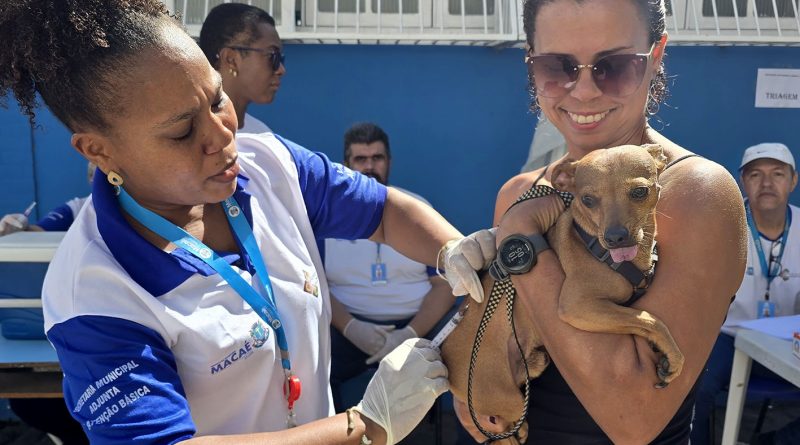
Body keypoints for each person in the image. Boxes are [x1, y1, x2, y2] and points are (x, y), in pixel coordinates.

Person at [0, 2, 496, 444]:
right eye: (181, 131)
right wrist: (365, 425)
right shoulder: (94, 293)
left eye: (217, 100)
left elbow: (385, 212)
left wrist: (452, 251)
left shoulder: (268, 164)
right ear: (97, 149)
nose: (222, 135)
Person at [451, 0, 748, 443]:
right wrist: (468, 393)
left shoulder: (695, 191)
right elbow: (501, 334)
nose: (585, 91)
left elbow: (634, 418)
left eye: (615, 66)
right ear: (531, 66)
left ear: (656, 56)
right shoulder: (518, 192)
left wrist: (520, 241)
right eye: (557, 66)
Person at [325, 122, 456, 411]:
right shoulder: (325, 217)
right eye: (361, 159)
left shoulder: (416, 209)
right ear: (346, 163)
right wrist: (351, 328)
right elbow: (313, 284)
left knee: (470, 360)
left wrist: (409, 334)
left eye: (377, 158)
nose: (369, 167)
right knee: (312, 363)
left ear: (389, 162)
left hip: (417, 330)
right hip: (348, 330)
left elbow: (445, 284)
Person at [692, 142, 799, 445]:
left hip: (786, 340)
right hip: (727, 336)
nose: (766, 184)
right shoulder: (719, 225)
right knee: (695, 386)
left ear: (793, 181)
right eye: (755, 175)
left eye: (778, 174)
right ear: (742, 182)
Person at [199, 2, 284, 134]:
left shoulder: (262, 137)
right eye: (272, 56)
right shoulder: (187, 133)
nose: (281, 70)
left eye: (281, 58)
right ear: (231, 59)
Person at [0, 162, 94, 236]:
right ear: (91, 179)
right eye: (102, 176)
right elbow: (40, 231)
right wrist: (20, 229)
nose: (108, 181)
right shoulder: (76, 208)